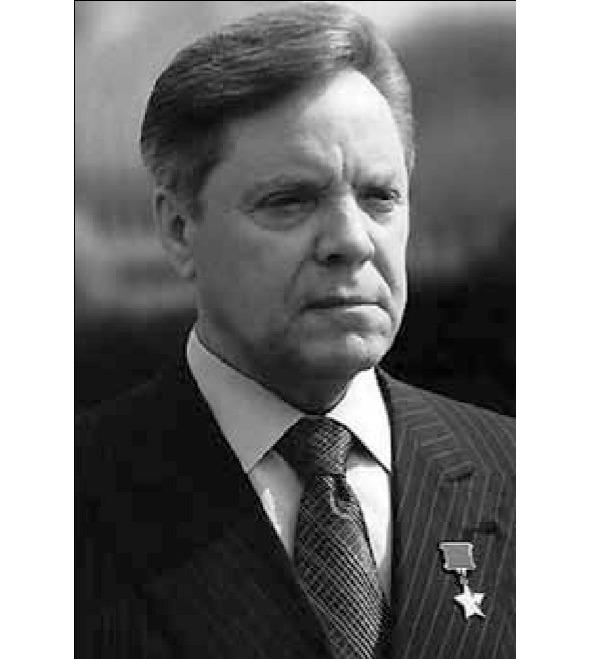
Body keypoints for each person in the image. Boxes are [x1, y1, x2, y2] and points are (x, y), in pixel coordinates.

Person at [76, 3, 515, 658]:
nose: (351, 240)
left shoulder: (525, 477)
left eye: (379, 196)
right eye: (289, 200)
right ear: (178, 229)